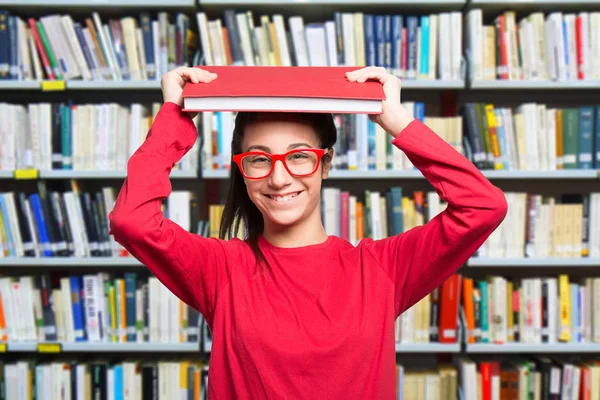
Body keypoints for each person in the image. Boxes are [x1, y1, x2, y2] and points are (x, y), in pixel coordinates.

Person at [108, 65, 508, 399]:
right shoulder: (220, 269)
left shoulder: (382, 269)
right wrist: (174, 117)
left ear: (326, 163)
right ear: (241, 170)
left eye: (299, 156)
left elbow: (483, 207)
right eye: (259, 159)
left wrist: (395, 119)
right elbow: (132, 220)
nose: (280, 178)